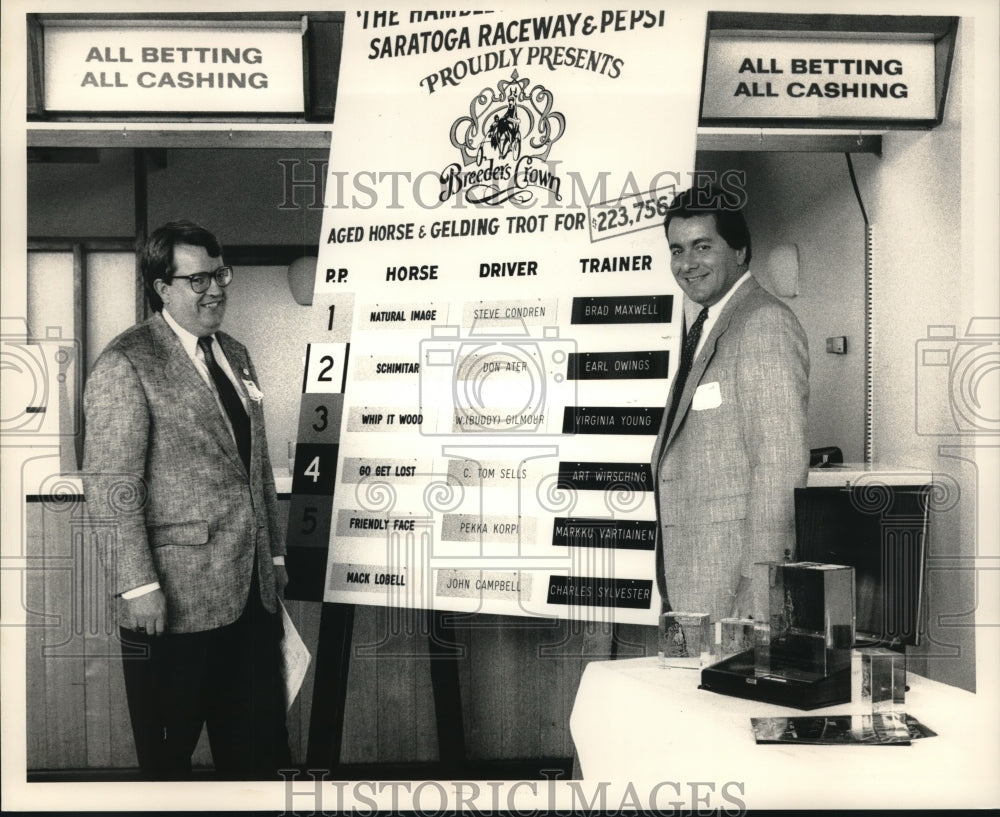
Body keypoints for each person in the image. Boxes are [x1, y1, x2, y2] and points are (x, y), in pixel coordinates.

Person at [82, 220, 289, 780]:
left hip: (251, 599)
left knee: (258, 756)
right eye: (197, 280)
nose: (215, 289)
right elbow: (110, 485)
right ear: (161, 287)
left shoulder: (236, 354)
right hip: (171, 604)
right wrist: (138, 585)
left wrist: (274, 559)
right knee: (168, 763)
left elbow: (256, 470)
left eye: (219, 274)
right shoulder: (127, 362)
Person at [650, 187, 809, 623]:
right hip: (694, 579)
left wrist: (760, 584)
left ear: (739, 250)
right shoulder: (709, 324)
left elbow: (780, 464)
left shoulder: (763, 323)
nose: (687, 264)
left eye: (703, 246)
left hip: (733, 589)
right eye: (677, 250)